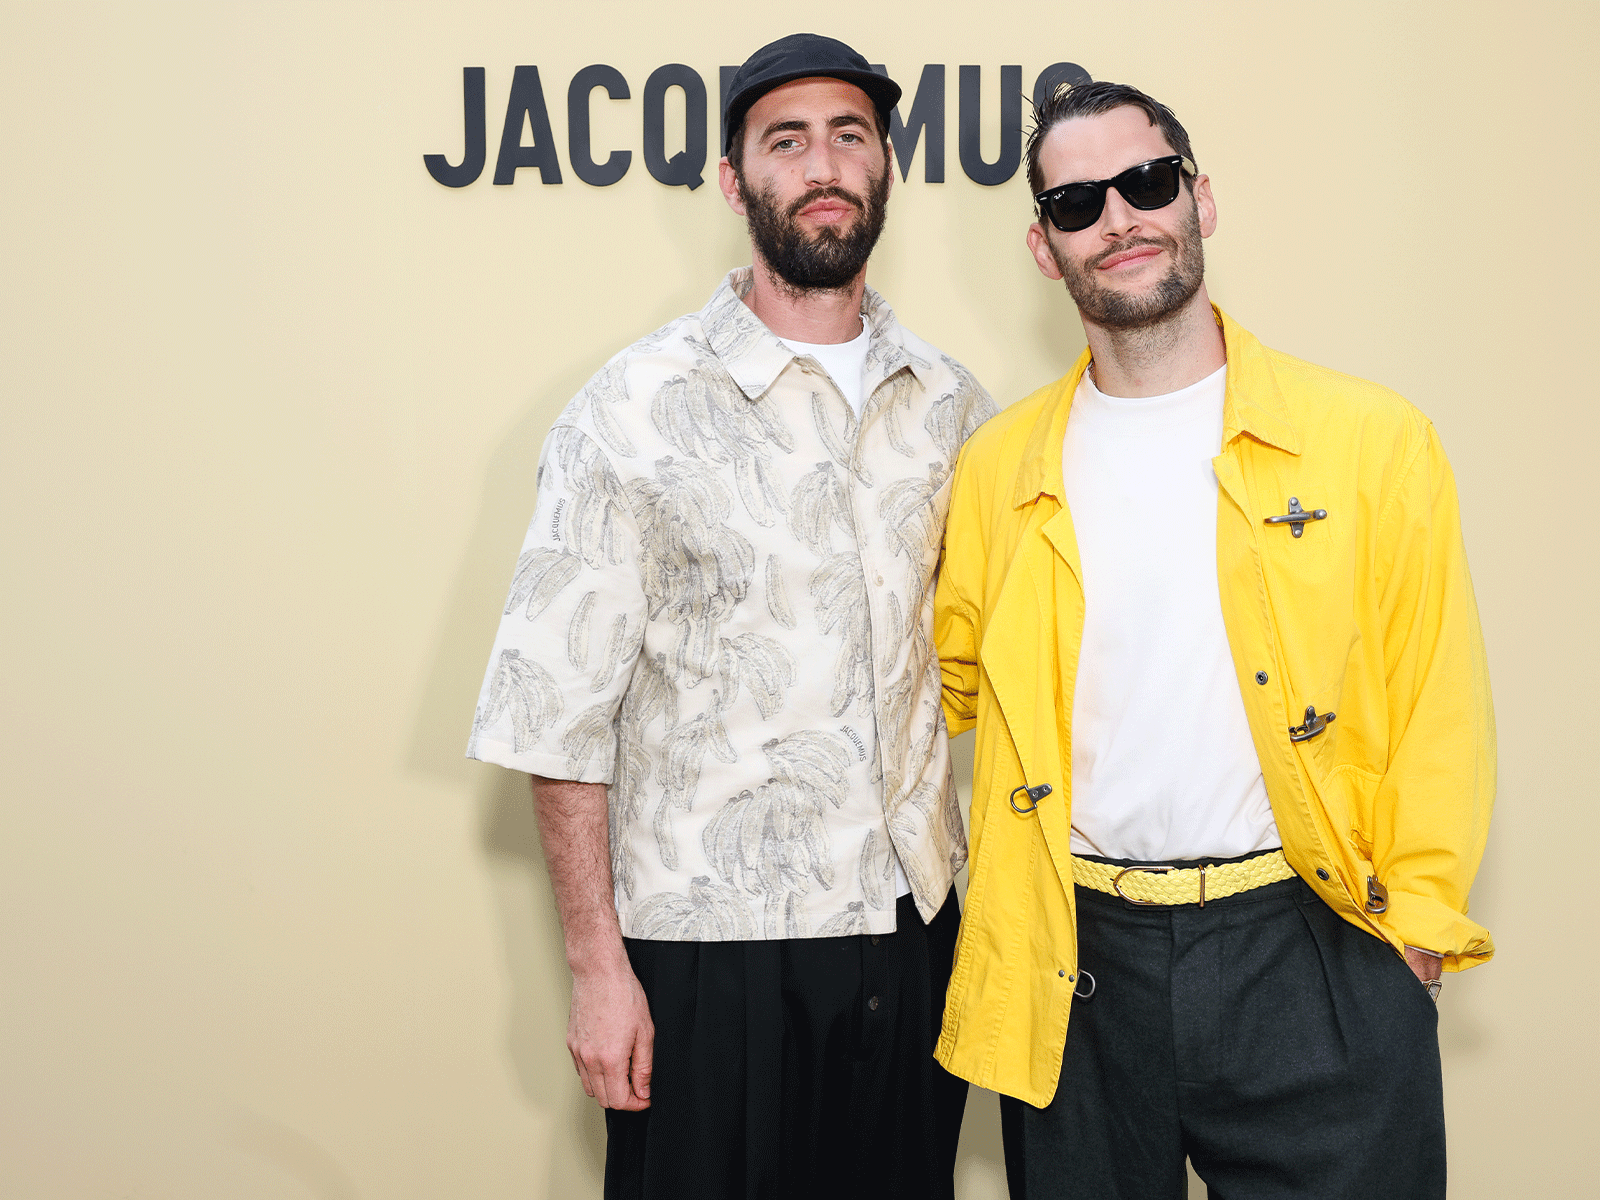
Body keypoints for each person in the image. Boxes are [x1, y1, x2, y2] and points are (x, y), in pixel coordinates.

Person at [932, 81, 1494, 1199]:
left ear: (1200, 199)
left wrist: (1417, 933)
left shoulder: (1370, 440)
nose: (1120, 220)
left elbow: (1437, 694)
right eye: (1078, 203)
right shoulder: (999, 466)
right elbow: (948, 690)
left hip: (1315, 943)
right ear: (1045, 248)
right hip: (1075, 963)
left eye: (1147, 184)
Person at [466, 33, 994, 1200]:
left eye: (848, 135)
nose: (822, 164)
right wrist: (597, 969)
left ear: (886, 165)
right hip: (707, 953)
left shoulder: (953, 407)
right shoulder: (631, 408)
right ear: (731, 178)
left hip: (910, 937)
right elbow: (557, 718)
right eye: (785, 140)